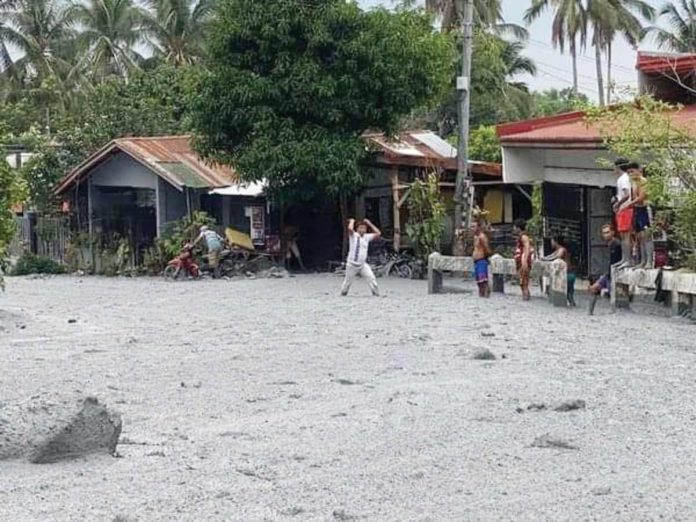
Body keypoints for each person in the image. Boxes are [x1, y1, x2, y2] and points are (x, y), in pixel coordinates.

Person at [588, 223, 623, 315]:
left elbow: (615, 261)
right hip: (608, 273)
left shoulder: (616, 244)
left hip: (614, 272)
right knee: (593, 289)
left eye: (607, 232)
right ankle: (590, 312)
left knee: (610, 292)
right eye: (604, 233)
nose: (605, 235)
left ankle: (613, 311)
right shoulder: (610, 243)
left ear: (613, 232)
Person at [341, 218, 381, 297]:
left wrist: (369, 223)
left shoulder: (367, 237)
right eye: (361, 227)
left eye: (364, 228)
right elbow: (350, 229)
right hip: (352, 264)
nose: (362, 229)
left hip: (362, 265)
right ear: (357, 229)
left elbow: (378, 233)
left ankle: (376, 293)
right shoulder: (354, 236)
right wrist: (352, 221)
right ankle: (343, 293)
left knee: (371, 278)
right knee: (347, 282)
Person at [627, 163, 653, 269]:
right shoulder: (633, 182)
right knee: (640, 236)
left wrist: (629, 204)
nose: (631, 174)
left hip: (644, 209)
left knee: (646, 235)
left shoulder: (643, 181)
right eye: (629, 172)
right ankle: (642, 260)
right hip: (637, 209)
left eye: (632, 171)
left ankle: (649, 261)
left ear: (639, 170)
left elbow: (641, 197)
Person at [542, 235, 576, 307]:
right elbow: (550, 256)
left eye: (552, 241)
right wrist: (544, 258)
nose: (551, 243)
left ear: (555, 242)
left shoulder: (562, 250)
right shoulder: (558, 250)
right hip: (565, 274)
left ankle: (571, 304)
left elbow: (557, 257)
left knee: (568, 294)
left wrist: (545, 259)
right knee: (568, 293)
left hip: (567, 274)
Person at [613, 158, 633, 267]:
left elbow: (626, 195)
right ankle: (624, 259)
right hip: (623, 208)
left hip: (625, 208)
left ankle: (627, 259)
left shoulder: (623, 179)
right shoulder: (623, 178)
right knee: (622, 235)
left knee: (626, 236)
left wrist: (618, 204)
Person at [513, 219, 535, 301]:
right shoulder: (522, 236)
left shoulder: (524, 237)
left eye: (515, 227)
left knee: (524, 282)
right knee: (522, 282)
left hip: (523, 261)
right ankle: (525, 297)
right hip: (520, 260)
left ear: (518, 228)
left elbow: (527, 248)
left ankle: (526, 297)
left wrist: (524, 261)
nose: (514, 229)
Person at [472, 220, 491, 298]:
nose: (472, 228)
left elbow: (487, 249)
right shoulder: (475, 237)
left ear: (478, 227)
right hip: (476, 262)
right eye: (471, 227)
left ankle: (486, 297)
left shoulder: (482, 237)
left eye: (474, 226)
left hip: (481, 261)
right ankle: (482, 297)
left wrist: (484, 258)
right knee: (479, 282)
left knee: (483, 281)